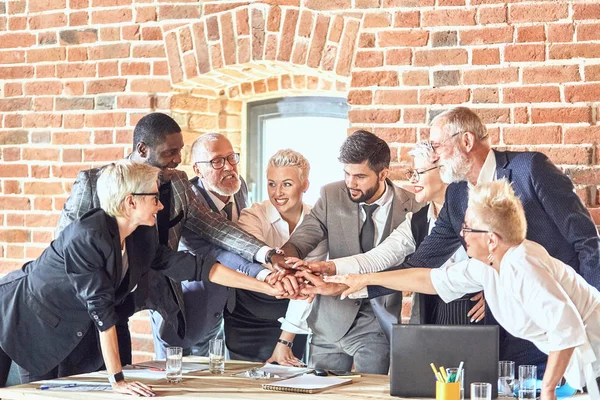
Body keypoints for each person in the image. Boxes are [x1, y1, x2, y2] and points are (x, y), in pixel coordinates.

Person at [304, 107, 600, 375]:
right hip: (505, 330)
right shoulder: (458, 195)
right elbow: (422, 264)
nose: (433, 156)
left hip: (571, 321)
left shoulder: (529, 169)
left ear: (466, 142)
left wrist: (593, 308)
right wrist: (353, 282)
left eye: (436, 146)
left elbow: (587, 241)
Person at [0, 161, 283, 396]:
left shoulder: (142, 232)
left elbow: (195, 267)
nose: (161, 207)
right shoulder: (86, 237)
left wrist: (265, 287)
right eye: (155, 198)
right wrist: (118, 380)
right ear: (130, 201)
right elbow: (102, 311)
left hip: (77, 326)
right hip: (30, 322)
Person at [53, 113, 285, 380]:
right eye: (170, 152)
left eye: (180, 151)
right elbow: (64, 251)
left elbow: (213, 228)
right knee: (70, 382)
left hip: (147, 295)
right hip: (79, 307)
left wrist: (267, 256)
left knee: (131, 377)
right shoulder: (92, 183)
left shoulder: (176, 182)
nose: (177, 159)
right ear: (142, 149)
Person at [327, 180, 600, 400]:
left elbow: (565, 327)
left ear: (492, 239)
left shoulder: (521, 264)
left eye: (468, 228)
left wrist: (549, 390)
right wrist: (364, 279)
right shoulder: (489, 265)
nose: (462, 234)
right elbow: (429, 280)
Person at [278, 130, 422, 374]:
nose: (350, 183)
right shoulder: (331, 195)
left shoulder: (414, 207)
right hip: (329, 322)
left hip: (376, 324)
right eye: (346, 173)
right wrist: (285, 258)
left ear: (383, 174)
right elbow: (306, 234)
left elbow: (418, 270)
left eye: (360, 176)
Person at [301, 141, 481, 324]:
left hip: (479, 315)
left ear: (445, 171)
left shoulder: (478, 211)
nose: (413, 180)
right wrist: (328, 268)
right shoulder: (417, 220)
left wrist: (493, 287)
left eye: (419, 172)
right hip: (436, 314)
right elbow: (377, 259)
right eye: (412, 173)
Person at [150, 133, 270, 359]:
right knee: (177, 382)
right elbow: (219, 252)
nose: (229, 167)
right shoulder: (186, 201)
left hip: (226, 309)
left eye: (232, 157)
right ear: (197, 170)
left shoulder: (238, 186)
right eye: (217, 161)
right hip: (185, 311)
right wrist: (266, 275)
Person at [231, 149, 327, 363]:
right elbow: (253, 260)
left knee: (289, 383)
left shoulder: (318, 222)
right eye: (272, 183)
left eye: (287, 184)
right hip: (248, 314)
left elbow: (308, 283)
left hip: (295, 315)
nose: (277, 193)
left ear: (305, 185)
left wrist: (286, 339)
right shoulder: (252, 216)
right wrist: (290, 275)